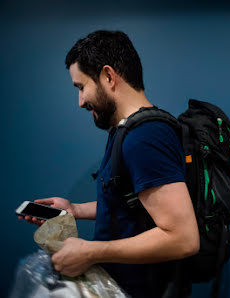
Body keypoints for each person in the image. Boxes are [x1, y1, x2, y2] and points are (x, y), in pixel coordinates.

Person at [19, 30, 200, 298]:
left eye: (81, 87)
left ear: (108, 76)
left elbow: (183, 238)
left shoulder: (146, 137)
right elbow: (134, 204)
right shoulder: (125, 131)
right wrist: (75, 210)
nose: (80, 102)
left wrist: (91, 252)